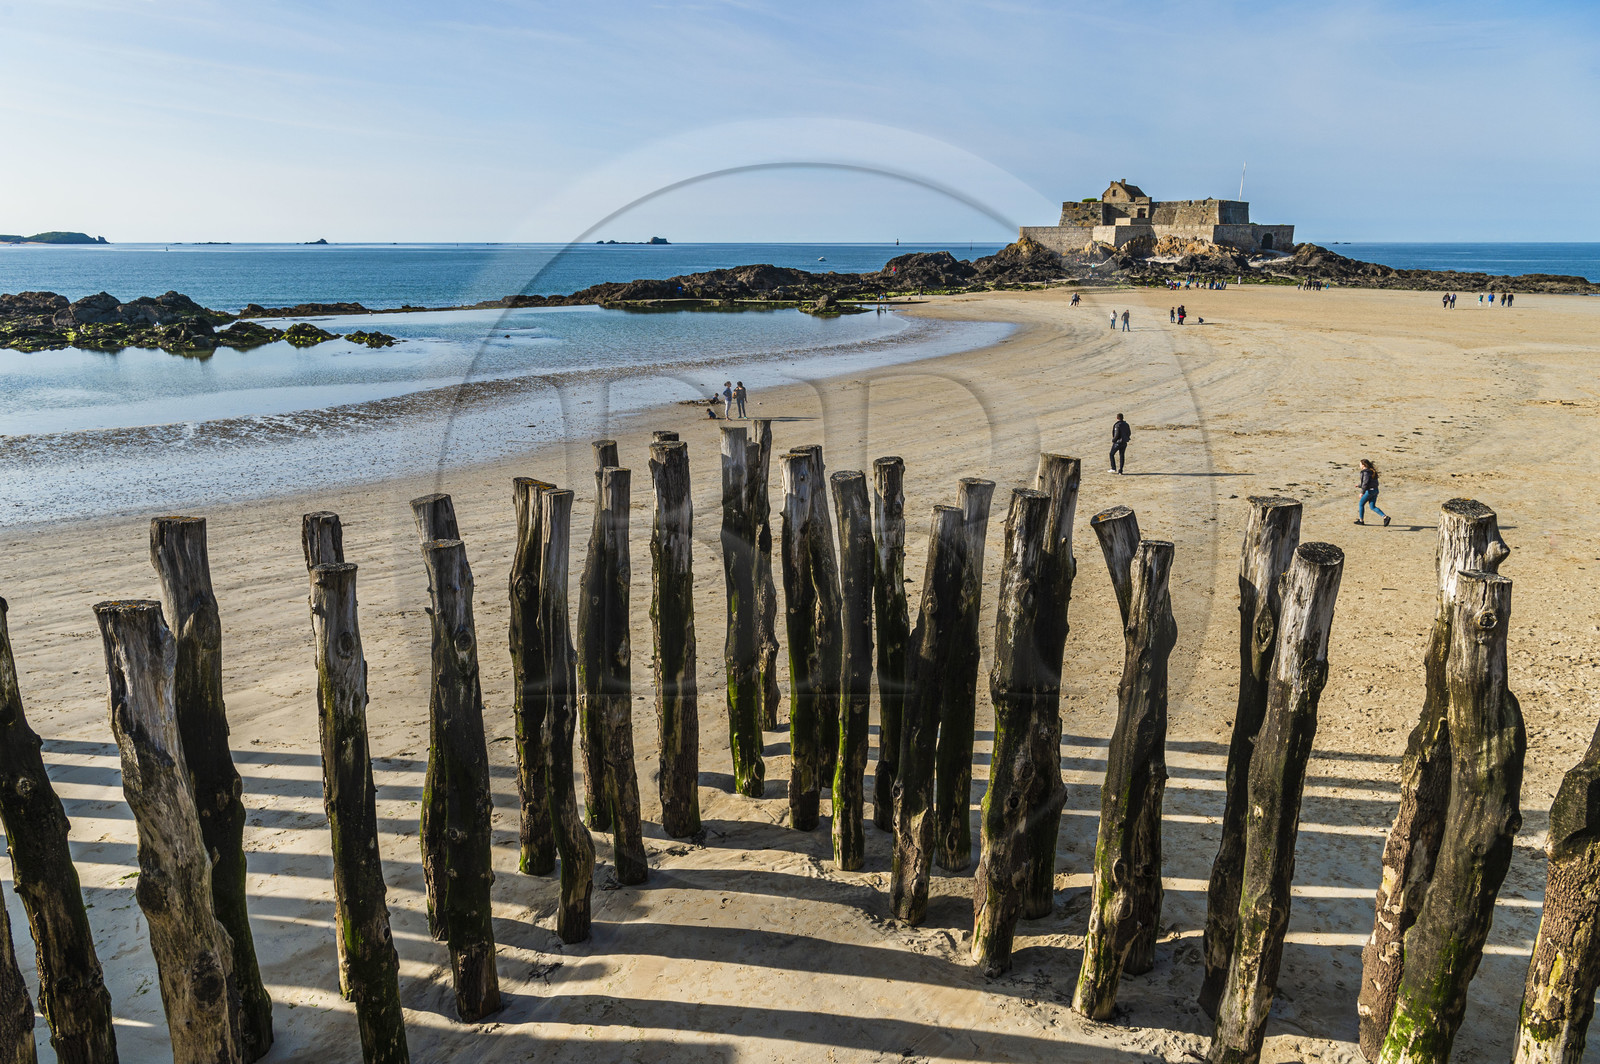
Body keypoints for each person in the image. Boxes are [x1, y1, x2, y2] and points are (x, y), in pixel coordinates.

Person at [1356, 459, 1390, 526]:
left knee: (1361, 504)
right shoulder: (1372, 471)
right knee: (1372, 506)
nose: (1359, 465)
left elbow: (1365, 483)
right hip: (1375, 490)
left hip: (1370, 491)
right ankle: (1385, 517)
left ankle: (1361, 520)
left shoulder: (1365, 472)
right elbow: (1370, 482)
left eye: (1360, 464)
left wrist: (1362, 492)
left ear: (1363, 465)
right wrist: (1359, 485)